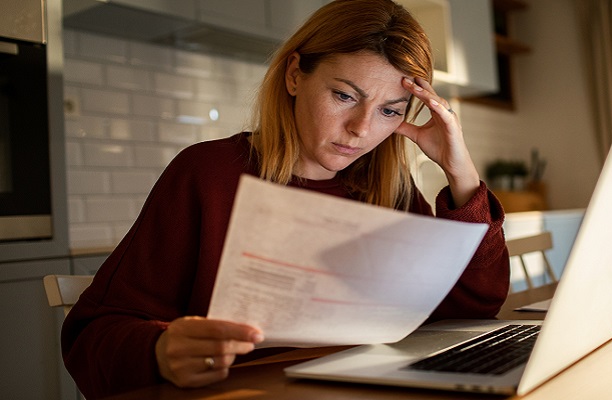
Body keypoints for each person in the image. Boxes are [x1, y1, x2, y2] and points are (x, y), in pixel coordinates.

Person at [61, 0, 510, 398]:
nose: (361, 128)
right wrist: (160, 351)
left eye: (389, 110)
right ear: (295, 75)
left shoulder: (388, 188)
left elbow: (469, 312)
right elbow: (90, 336)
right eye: (343, 95)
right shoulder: (209, 174)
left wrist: (461, 172)